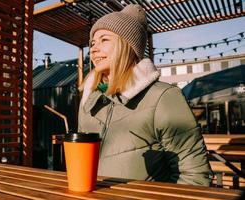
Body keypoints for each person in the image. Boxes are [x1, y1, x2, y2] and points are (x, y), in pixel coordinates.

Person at [78, 4, 212, 186]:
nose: (93, 49)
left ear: (127, 45)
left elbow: (194, 177)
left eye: (104, 40)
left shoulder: (163, 97)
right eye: (92, 43)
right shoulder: (89, 101)